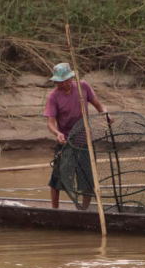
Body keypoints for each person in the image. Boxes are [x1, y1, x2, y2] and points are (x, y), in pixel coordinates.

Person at [44, 62, 108, 209]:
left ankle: (84, 210)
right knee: (57, 180)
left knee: (88, 180)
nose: (61, 84)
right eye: (58, 82)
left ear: (70, 79)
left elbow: (100, 106)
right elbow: (50, 123)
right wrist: (57, 133)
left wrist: (106, 114)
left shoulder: (83, 87)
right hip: (65, 142)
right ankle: (55, 210)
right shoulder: (53, 96)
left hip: (85, 141)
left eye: (64, 81)